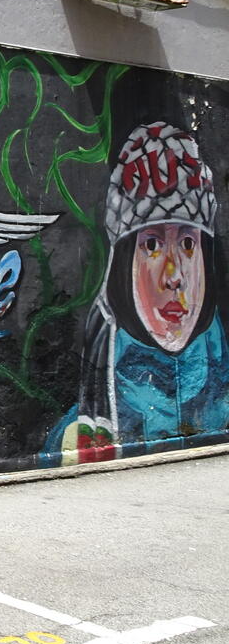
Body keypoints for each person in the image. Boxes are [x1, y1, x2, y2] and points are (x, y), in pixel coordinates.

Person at [49, 122, 229, 462]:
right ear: (122, 266)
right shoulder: (87, 426)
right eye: (152, 245)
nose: (173, 277)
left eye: (188, 244)